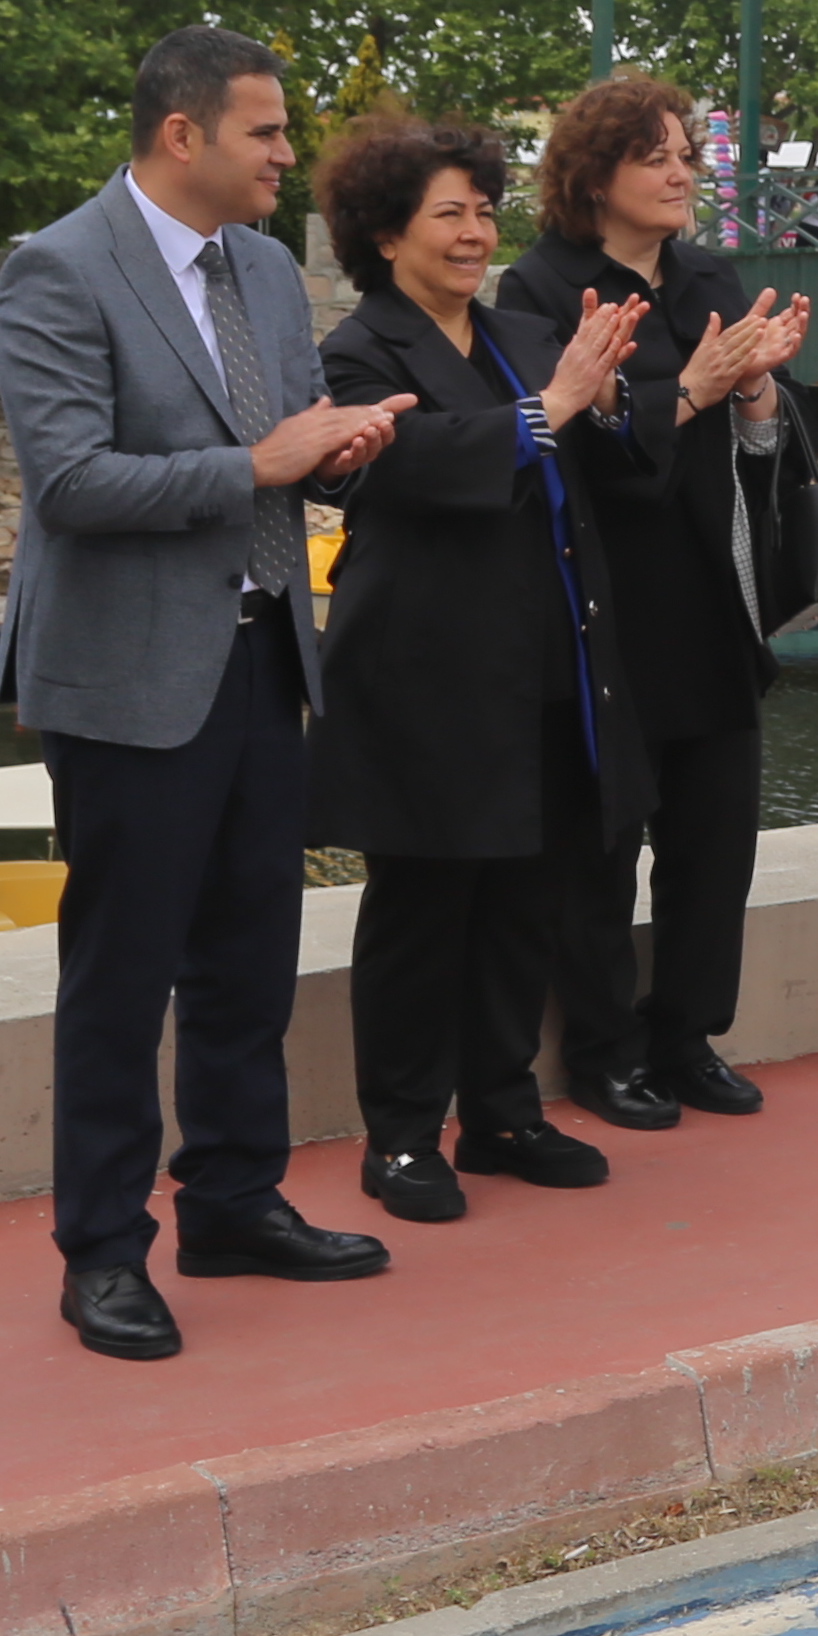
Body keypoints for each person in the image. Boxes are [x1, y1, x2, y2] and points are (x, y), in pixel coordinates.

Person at [0, 28, 419, 1360]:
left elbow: (291, 450)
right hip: (126, 676)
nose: (291, 155)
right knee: (122, 976)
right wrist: (258, 465)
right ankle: (103, 1252)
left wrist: (341, 457)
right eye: (268, 133)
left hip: (260, 656)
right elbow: (69, 483)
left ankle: (233, 1200)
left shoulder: (271, 275)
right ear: (183, 135)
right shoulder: (57, 269)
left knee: (248, 957)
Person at [307, 117, 649, 1219]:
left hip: (548, 668)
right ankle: (402, 1135)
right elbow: (400, 466)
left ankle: (502, 1109)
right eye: (449, 212)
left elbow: (600, 451)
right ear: (384, 232)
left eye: (483, 210)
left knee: (524, 898)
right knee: (423, 906)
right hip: (425, 678)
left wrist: (620, 399)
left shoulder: (514, 336)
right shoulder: (359, 349)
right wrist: (548, 408)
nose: (474, 232)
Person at [496, 77, 813, 1122]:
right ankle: (602, 1051)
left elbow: (758, 440)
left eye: (687, 153)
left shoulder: (710, 277)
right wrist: (695, 391)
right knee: (597, 856)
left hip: (710, 597)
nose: (682, 172)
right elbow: (580, 448)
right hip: (600, 614)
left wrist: (760, 385)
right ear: (593, 176)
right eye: (655, 156)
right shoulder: (541, 292)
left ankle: (687, 1037)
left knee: (714, 844)